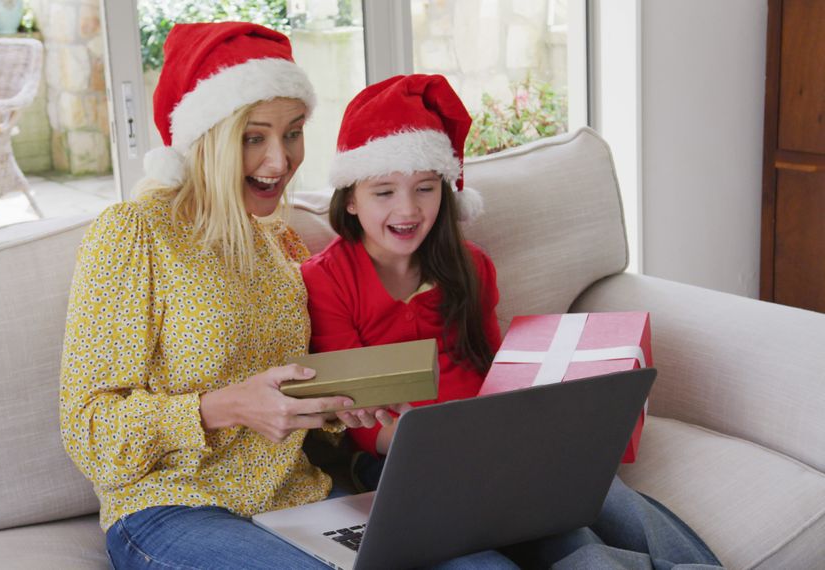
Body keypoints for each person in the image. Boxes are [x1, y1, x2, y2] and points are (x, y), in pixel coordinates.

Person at [302, 74, 723, 569]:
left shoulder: (471, 265)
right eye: (384, 192)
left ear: (446, 190)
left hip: (500, 440)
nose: (408, 208)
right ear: (350, 198)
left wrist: (522, 435)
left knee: (596, 501)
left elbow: (500, 372)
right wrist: (453, 443)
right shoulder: (326, 280)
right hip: (400, 459)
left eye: (425, 188)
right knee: (566, 546)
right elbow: (362, 420)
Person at [59, 22, 390, 569]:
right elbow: (89, 430)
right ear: (205, 138)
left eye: (293, 132)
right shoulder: (135, 233)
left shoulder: (281, 238)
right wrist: (222, 407)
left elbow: (289, 390)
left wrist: (345, 407)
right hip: (172, 507)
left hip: (296, 496)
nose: (280, 162)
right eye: (253, 137)